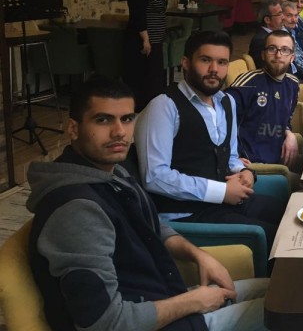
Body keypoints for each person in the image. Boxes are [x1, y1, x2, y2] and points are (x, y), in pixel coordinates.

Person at [27, 77, 268, 331]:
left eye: (127, 119)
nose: (119, 132)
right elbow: (104, 323)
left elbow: (150, 225)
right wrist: (193, 302)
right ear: (73, 129)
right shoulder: (76, 210)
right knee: (284, 310)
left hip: (162, 299)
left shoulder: (113, 174)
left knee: (275, 288)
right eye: (103, 120)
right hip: (154, 319)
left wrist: (197, 255)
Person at [134, 30, 285, 248]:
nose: (214, 69)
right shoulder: (164, 106)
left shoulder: (226, 102)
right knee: (277, 238)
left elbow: (230, 157)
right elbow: (155, 177)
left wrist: (245, 172)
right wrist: (221, 192)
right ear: (186, 62)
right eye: (205, 60)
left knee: (289, 214)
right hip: (186, 216)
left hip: (224, 204)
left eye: (222, 62)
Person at [227, 31, 302, 172]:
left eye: (285, 50)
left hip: (280, 156)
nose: (278, 55)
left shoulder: (293, 84)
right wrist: (230, 157)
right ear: (263, 55)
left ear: (292, 57)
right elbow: (219, 119)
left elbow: (285, 119)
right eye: (272, 49)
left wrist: (289, 133)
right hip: (253, 165)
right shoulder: (248, 83)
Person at [125, 0, 167, 111]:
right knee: (144, 78)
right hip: (143, 40)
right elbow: (138, 15)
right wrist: (145, 39)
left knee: (155, 77)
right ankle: (144, 110)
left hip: (156, 39)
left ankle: (155, 109)